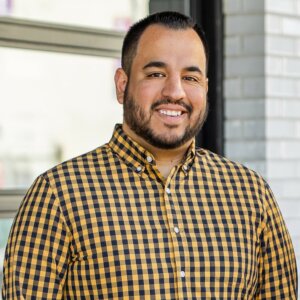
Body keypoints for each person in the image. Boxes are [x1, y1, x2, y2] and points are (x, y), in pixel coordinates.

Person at [2, 11, 297, 299]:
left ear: (206, 89)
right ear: (122, 85)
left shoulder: (250, 194)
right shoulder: (58, 195)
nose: (175, 91)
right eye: (156, 73)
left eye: (191, 77)